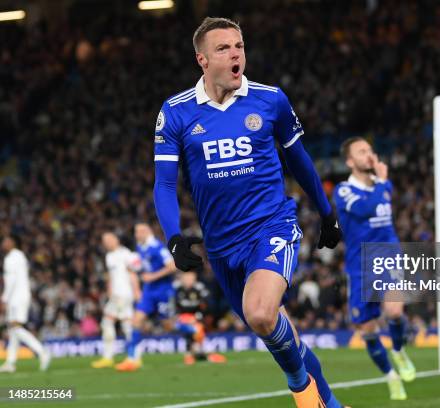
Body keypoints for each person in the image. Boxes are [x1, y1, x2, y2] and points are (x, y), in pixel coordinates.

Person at [153, 17, 345, 408]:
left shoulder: (269, 99)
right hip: (222, 248)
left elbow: (300, 160)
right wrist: (173, 237)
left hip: (271, 226)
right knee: (275, 328)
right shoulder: (175, 112)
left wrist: (327, 213)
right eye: (223, 48)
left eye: (239, 45)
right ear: (202, 60)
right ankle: (330, 401)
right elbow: (165, 184)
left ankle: (301, 390)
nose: (235, 53)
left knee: (260, 313)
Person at [333, 137, 416, 400]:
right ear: (350, 161)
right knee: (367, 329)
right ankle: (391, 376)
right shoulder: (344, 191)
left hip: (388, 255)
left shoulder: (382, 185)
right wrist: (382, 181)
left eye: (370, 149)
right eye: (361, 151)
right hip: (359, 265)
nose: (369, 155)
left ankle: (399, 350)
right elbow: (366, 209)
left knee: (393, 309)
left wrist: (381, 182)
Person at [115, 223, 176, 371]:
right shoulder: (140, 248)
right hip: (148, 291)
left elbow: (173, 266)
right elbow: (142, 267)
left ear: (148, 232)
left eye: (140, 231)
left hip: (163, 290)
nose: (137, 234)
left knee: (168, 326)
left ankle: (193, 331)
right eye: (136, 232)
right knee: (136, 321)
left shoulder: (157, 247)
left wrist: (153, 276)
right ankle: (131, 359)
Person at [0, 235, 51, 373]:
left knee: (15, 328)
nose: (3, 243)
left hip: (16, 297)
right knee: (12, 330)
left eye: (6, 241)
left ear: (12, 242)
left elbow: (12, 281)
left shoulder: (11, 258)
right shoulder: (19, 256)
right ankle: (10, 363)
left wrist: (4, 298)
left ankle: (42, 351)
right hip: (19, 296)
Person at [91, 232, 141, 368]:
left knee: (117, 323)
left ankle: (127, 356)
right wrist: (109, 291)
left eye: (109, 239)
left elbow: (133, 273)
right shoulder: (109, 257)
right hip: (116, 295)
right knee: (116, 323)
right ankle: (127, 356)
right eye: (104, 241)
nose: (107, 242)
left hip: (125, 294)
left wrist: (137, 291)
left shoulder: (126, 254)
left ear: (116, 239)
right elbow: (111, 276)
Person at [173, 270, 226, 365]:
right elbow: (175, 309)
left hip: (196, 319)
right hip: (180, 320)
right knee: (196, 329)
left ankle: (194, 355)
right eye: (186, 278)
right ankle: (201, 354)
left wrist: (197, 317)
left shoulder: (199, 289)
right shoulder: (177, 290)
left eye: (191, 278)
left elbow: (206, 306)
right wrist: (183, 318)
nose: (188, 280)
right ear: (182, 279)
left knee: (197, 330)